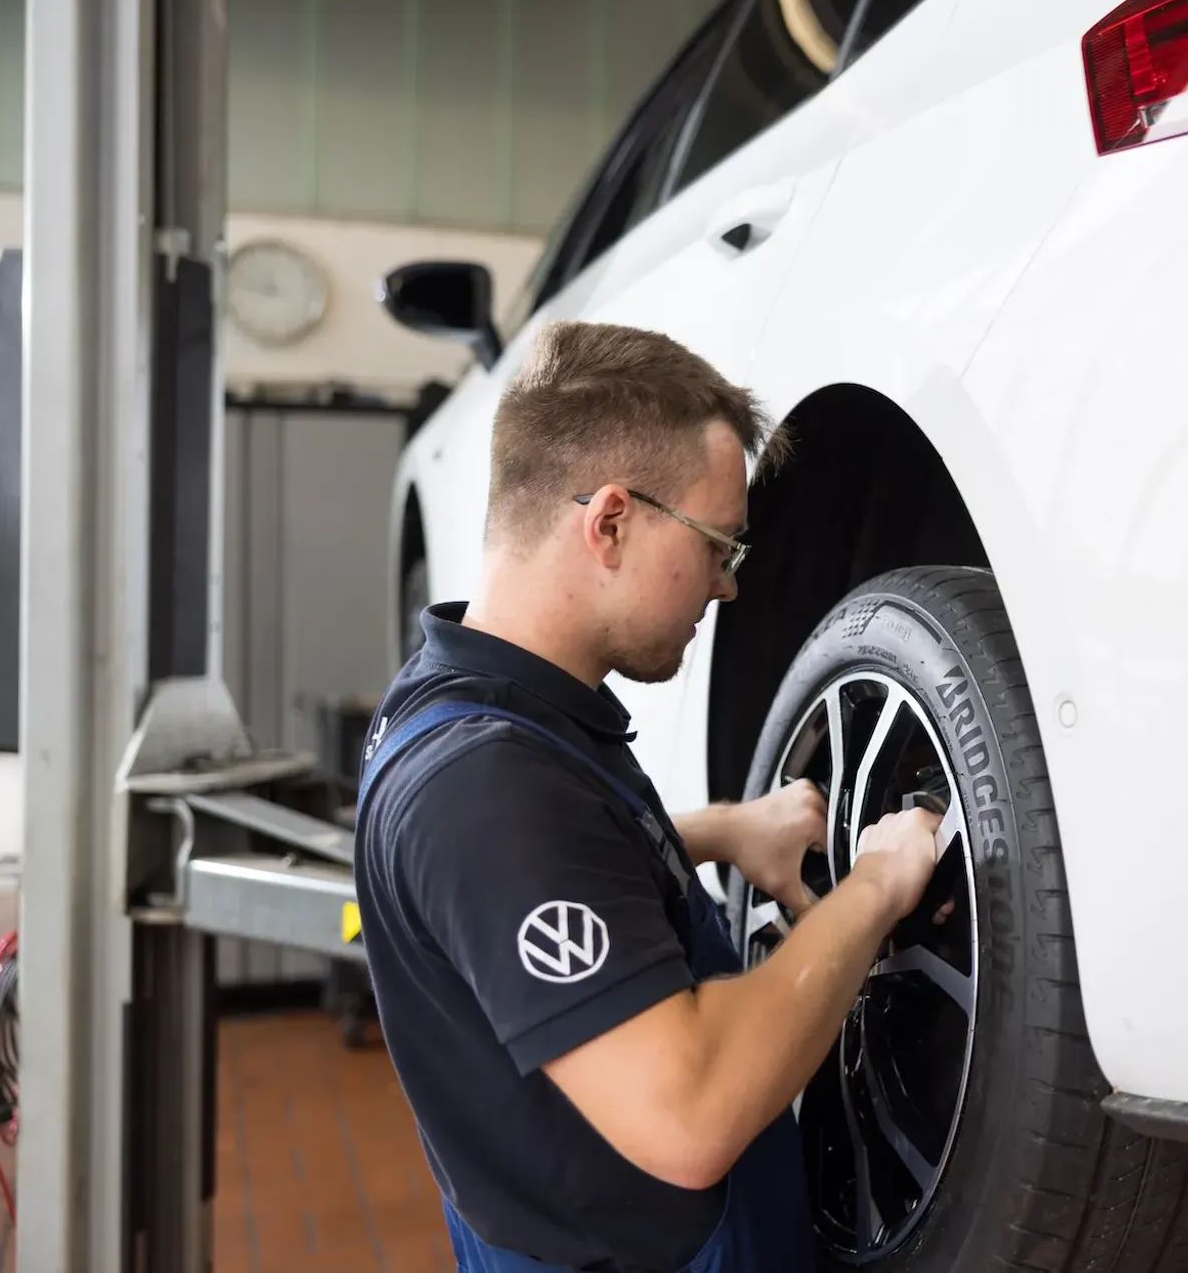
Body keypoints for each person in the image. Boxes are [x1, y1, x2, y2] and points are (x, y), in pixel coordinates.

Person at [352, 320, 944, 1273]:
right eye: (720, 545)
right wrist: (874, 888)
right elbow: (692, 1111)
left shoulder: (465, 699)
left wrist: (715, 833)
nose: (728, 585)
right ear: (611, 522)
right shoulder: (485, 789)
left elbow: (522, 891)